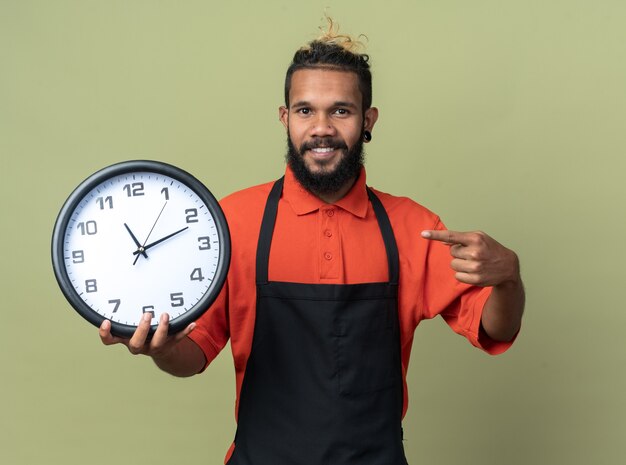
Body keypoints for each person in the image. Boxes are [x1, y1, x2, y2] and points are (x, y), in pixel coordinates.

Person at [100, 20, 524, 465]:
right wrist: (162, 348)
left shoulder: (411, 227)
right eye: (305, 111)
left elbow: (496, 328)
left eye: (340, 111)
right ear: (285, 119)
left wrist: (509, 279)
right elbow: (193, 354)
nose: (321, 127)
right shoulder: (232, 221)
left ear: (368, 120)